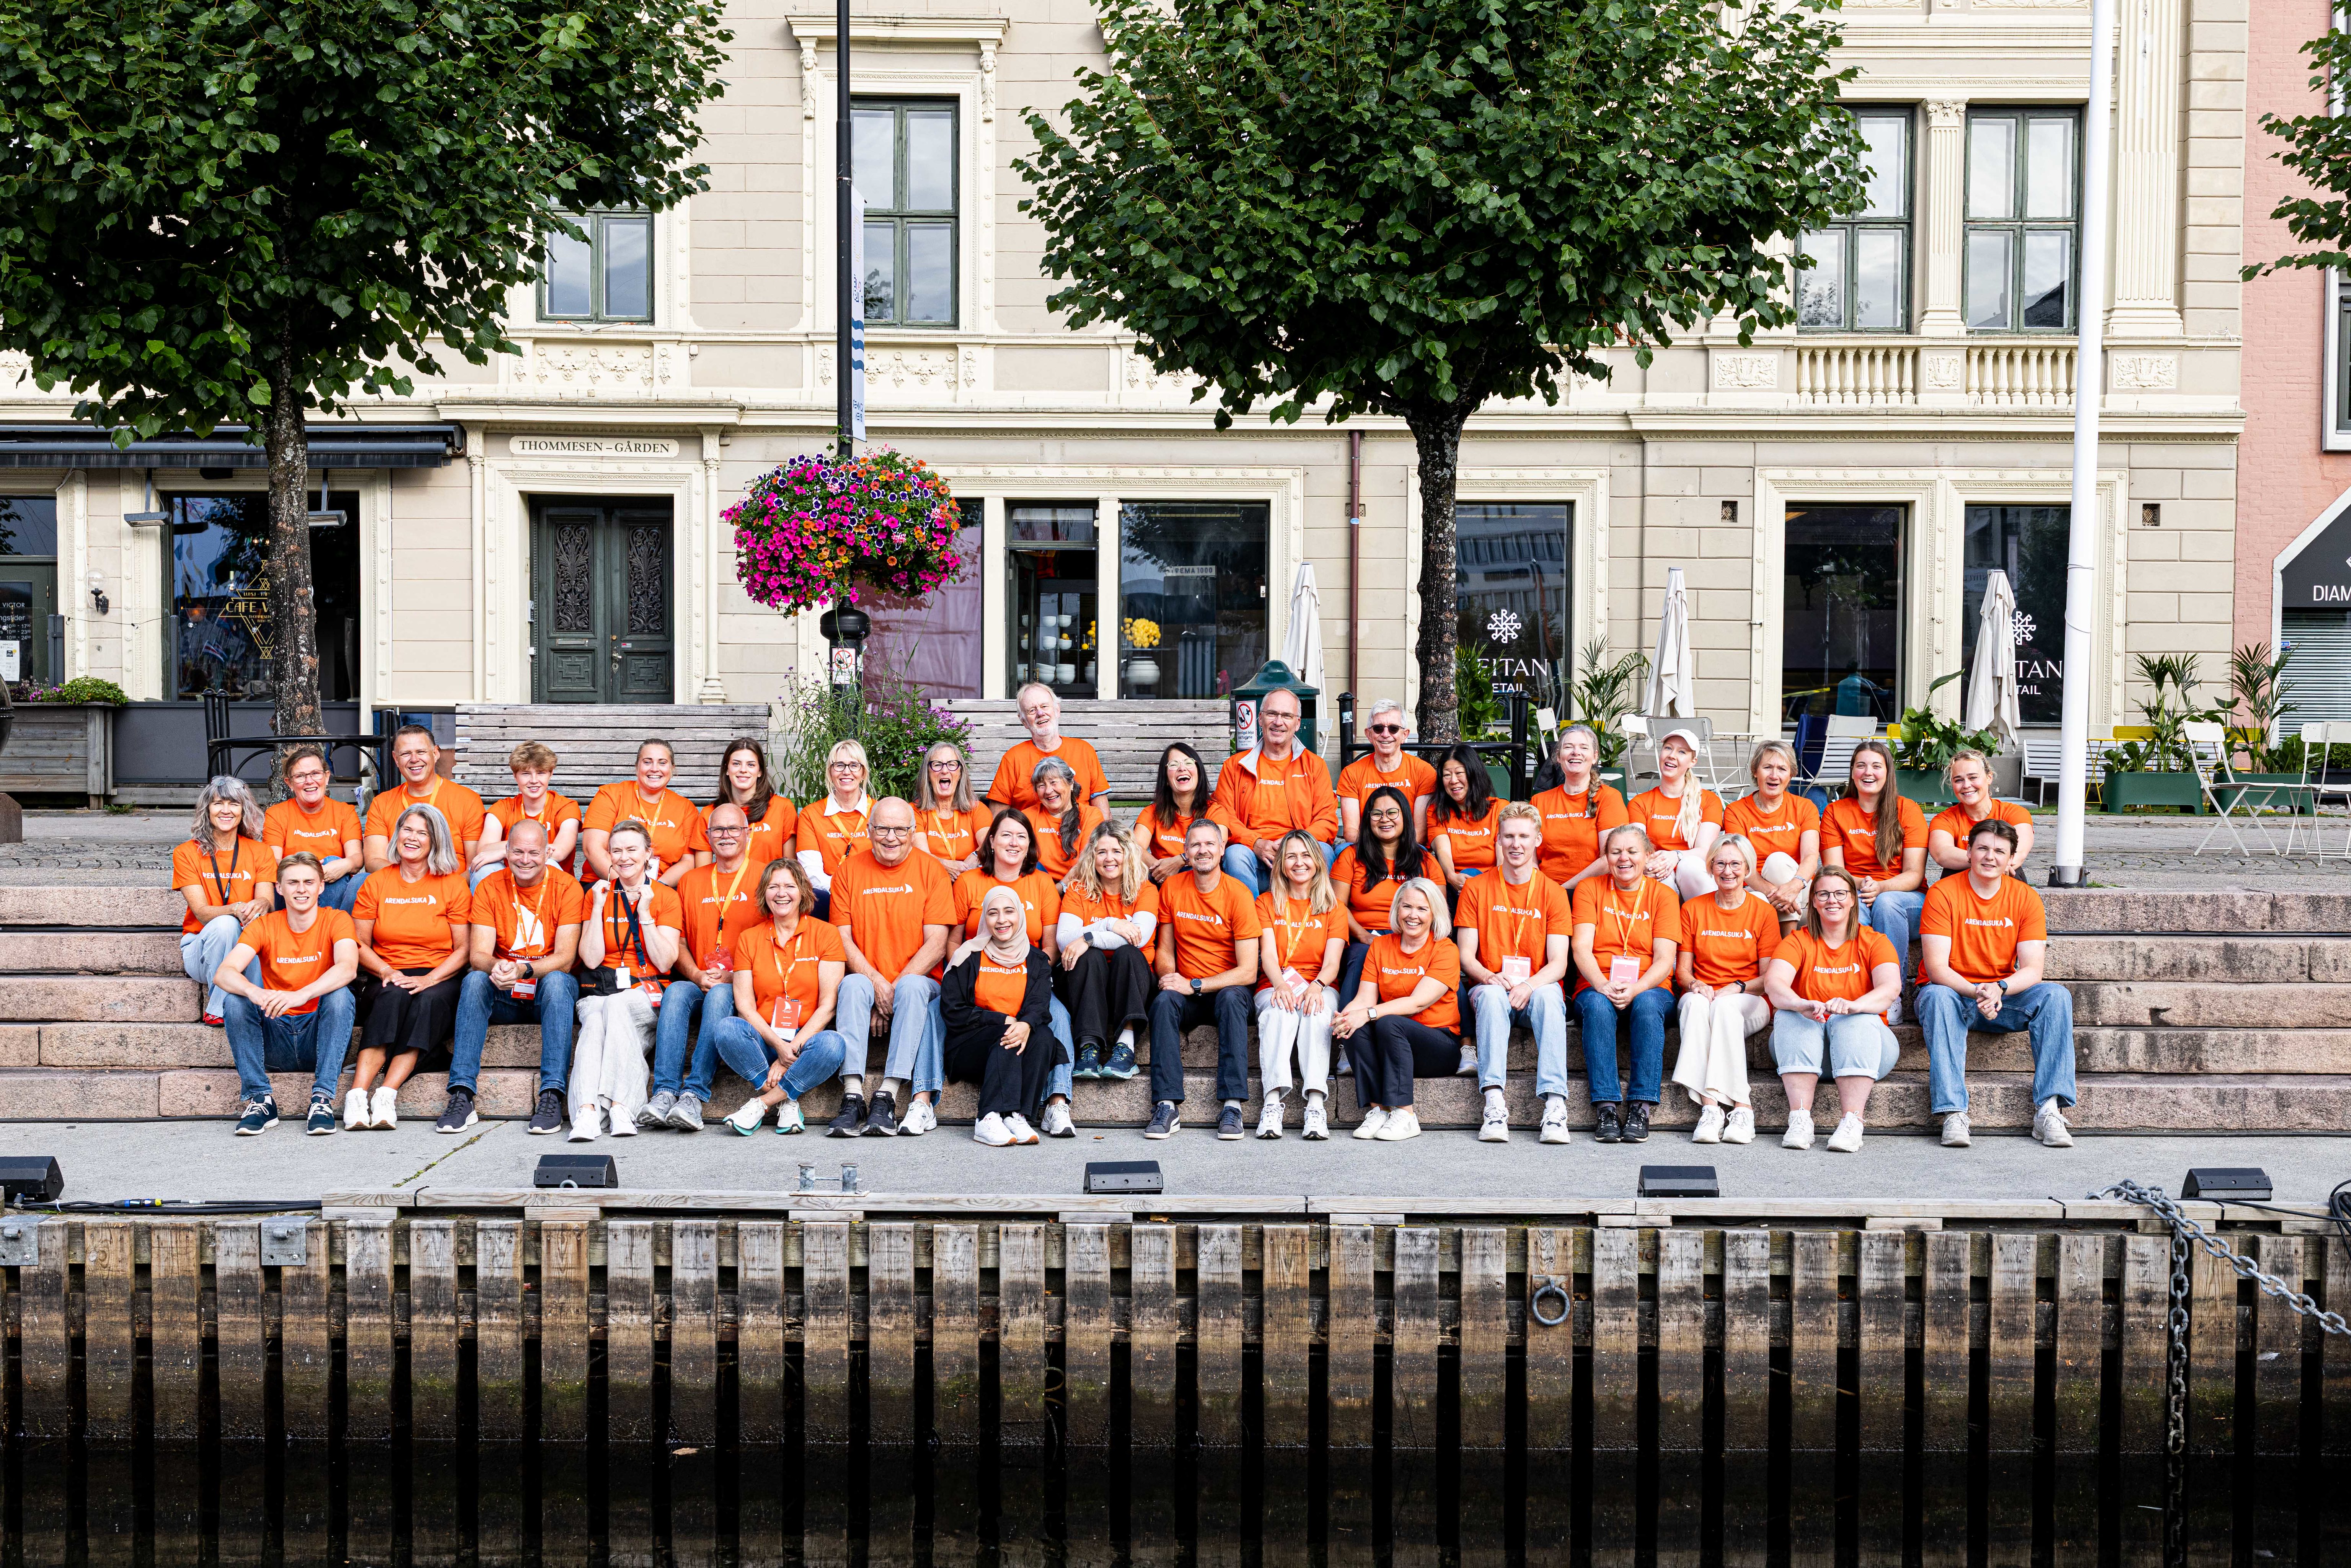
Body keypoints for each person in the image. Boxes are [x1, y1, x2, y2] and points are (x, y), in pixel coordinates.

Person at [1916, 818, 2075, 1149]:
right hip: (1954, 995)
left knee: (2055, 996)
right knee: (1936, 997)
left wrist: (1999, 989)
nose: (1990, 857)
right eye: (1983, 849)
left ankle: (2049, 1109)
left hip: (2003, 997)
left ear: (2011, 859)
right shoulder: (1943, 893)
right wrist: (1979, 992)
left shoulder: (2026, 897)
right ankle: (1953, 1112)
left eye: (2000, 851)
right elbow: (1937, 969)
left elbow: (2033, 970)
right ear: (1969, 852)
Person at [826, 798, 957, 1138]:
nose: (891, 837)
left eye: (900, 830)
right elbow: (842, 939)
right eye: (883, 829)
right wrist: (878, 985)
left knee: (911, 987)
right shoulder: (848, 871)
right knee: (852, 985)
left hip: (918, 982)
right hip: (868, 979)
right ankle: (853, 1095)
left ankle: (888, 1094)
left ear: (913, 833)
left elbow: (937, 943)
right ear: (869, 831)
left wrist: (891, 990)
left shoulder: (931, 871)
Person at [449, 817, 585, 1135]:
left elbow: (566, 959)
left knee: (558, 981)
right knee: (474, 980)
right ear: (506, 852)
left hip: (546, 994)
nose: (526, 860)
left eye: (534, 853)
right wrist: (497, 966)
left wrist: (524, 969)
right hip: (505, 991)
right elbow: (478, 955)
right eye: (518, 852)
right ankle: (462, 1094)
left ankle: (552, 1094)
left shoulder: (567, 887)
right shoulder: (489, 886)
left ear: (548, 853)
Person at [213, 852, 358, 1136]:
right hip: (275, 1037)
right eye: (293, 883)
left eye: (308, 882)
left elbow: (348, 968)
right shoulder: (264, 925)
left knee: (341, 995)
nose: (301, 890)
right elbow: (224, 973)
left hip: (318, 1036)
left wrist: (302, 995)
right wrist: (254, 992)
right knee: (235, 1000)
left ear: (321, 887)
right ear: (279, 888)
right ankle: (260, 1099)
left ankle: (322, 1100)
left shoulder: (337, 919)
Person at [641, 802, 765, 1134]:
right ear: (707, 836)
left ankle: (694, 1095)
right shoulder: (690, 881)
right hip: (699, 978)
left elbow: (772, 941)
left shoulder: (765, 877)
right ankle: (665, 1092)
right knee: (677, 991)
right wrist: (696, 974)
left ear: (747, 833)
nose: (726, 836)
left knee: (722, 994)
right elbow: (678, 943)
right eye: (719, 830)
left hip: (745, 983)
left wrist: (734, 975)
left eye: (734, 829)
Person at [1454, 804, 1574, 1144]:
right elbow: (1466, 956)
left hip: (1536, 989)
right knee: (1493, 996)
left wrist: (1529, 985)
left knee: (1550, 994)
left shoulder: (1552, 892)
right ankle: (1494, 1104)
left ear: (1538, 840)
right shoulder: (1477, 888)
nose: (1516, 844)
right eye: (1509, 836)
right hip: (1491, 987)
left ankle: (1555, 1106)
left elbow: (1559, 964)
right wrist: (1489, 976)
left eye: (1524, 836)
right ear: (1498, 839)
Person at [349, 804, 472, 1131]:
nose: (413, 838)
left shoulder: (453, 885)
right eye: (408, 830)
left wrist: (431, 979)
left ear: (436, 841)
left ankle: (386, 1094)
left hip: (439, 975)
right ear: (397, 834)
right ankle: (357, 1096)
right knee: (393, 997)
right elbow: (358, 943)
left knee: (427, 1002)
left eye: (423, 833)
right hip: (387, 971)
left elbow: (464, 949)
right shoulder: (377, 882)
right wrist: (386, 972)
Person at [952, 810, 1083, 1114]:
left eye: (1021, 836)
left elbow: (1050, 947)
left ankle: (1058, 1102)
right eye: (1006, 835)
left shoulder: (1042, 883)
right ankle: (922, 1097)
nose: (1014, 842)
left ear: (1030, 844)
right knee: (934, 1012)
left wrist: (1032, 981)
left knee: (1058, 1016)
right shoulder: (969, 882)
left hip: (1028, 982)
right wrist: (962, 978)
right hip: (977, 981)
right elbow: (953, 942)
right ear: (991, 841)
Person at [1765, 868, 1902, 1153]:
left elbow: (1890, 988)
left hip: (1867, 1052)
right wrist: (1800, 1004)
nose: (1832, 900)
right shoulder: (1798, 941)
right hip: (1805, 1052)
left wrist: (1855, 1006)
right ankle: (1800, 1120)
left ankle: (1853, 1122)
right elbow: (1774, 984)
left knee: (1853, 1020)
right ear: (1814, 902)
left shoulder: (1875, 941)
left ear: (1853, 899)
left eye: (1841, 894)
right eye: (1824, 894)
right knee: (1789, 1014)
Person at [1146, 820, 1263, 1140]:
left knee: (1232, 998)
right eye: (1196, 845)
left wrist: (1196, 985)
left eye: (1210, 844)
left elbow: (1248, 971)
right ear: (1186, 851)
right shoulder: (1173, 888)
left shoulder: (1238, 894)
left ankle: (1233, 1106)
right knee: (1164, 1002)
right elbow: (1165, 949)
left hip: (1227, 991)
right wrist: (1170, 977)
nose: (1203, 850)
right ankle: (1166, 1105)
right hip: (1186, 991)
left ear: (1222, 849)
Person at [717, 857, 850, 1134]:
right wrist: (778, 1045)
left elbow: (828, 1006)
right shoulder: (749, 938)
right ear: (764, 893)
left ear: (803, 891)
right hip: (764, 1036)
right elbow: (745, 1007)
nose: (781, 894)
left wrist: (789, 1052)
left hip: (807, 1039)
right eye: (773, 887)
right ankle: (787, 1099)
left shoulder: (826, 934)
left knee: (833, 1045)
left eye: (790, 886)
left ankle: (763, 1103)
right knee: (727, 1029)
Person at [569, 820, 683, 1140]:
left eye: (632, 850)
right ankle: (594, 1112)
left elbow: (666, 961)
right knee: (596, 1020)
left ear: (648, 854)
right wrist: (598, 908)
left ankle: (612, 1107)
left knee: (615, 1006)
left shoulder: (665, 896)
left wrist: (645, 913)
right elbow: (591, 960)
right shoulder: (597, 894)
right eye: (616, 851)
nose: (624, 857)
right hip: (600, 991)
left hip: (646, 993)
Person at [1570, 824, 1679, 1144]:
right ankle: (1606, 1108)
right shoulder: (1589, 889)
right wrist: (1602, 984)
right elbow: (1581, 948)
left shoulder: (1664, 896)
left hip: (1651, 987)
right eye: (1616, 852)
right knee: (1597, 1005)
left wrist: (1636, 988)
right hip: (1596, 983)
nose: (1624, 859)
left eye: (1632, 851)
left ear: (1648, 856)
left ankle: (1640, 1108)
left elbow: (1665, 959)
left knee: (1646, 1004)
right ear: (1606, 857)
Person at [1332, 878, 1460, 1143]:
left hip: (1438, 1047)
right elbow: (1364, 998)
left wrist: (1368, 1014)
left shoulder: (1445, 949)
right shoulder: (1381, 946)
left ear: (1434, 913)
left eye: (1422, 909)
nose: (1413, 915)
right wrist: (1345, 1018)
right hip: (1393, 1048)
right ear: (1397, 909)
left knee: (1387, 1021)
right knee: (1354, 1025)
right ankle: (1378, 1111)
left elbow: (1418, 1003)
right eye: (1407, 907)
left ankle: (1406, 1115)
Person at [1671, 836, 1779, 1146]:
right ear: (1710, 867)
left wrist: (1739, 986)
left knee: (1724, 1007)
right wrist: (1696, 985)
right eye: (1720, 863)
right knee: (1696, 1005)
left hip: (1750, 999)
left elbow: (1768, 977)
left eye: (1735, 864)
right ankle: (1711, 1110)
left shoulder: (1763, 912)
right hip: (1705, 995)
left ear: (1747, 869)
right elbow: (1682, 971)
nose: (1727, 871)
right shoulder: (1693, 909)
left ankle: (1743, 1108)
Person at [1820, 740, 1927, 1024]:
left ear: (1888, 772)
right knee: (1847, 911)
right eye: (1861, 766)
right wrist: (1865, 886)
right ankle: (1850, 991)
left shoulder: (1908, 810)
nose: (1868, 772)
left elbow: (1914, 875)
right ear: (1852, 772)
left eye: (1876, 766)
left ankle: (1891, 996)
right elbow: (1835, 873)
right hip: (1855, 891)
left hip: (1906, 899)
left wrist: (1882, 888)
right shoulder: (1836, 811)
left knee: (1887, 904)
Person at [942, 885, 1058, 1146]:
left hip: (1012, 1047)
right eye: (993, 913)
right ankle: (988, 1118)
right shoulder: (968, 956)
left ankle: (1016, 1115)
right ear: (985, 919)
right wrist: (1003, 1021)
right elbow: (952, 1010)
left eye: (1009, 912)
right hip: (970, 1047)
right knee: (1010, 1034)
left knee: (1043, 1036)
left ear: (1020, 915)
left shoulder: (1037, 960)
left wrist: (1026, 1023)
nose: (1002, 920)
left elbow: (1039, 1005)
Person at [1253, 829, 1345, 1141]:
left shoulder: (1333, 907)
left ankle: (1316, 1105)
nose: (1299, 862)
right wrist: (1281, 985)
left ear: (1318, 862)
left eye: (1306, 855)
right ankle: (1272, 1103)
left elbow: (1332, 963)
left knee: (1318, 1013)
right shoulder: (1266, 903)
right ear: (1281, 864)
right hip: (1274, 982)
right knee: (1280, 1012)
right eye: (1291, 856)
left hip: (1320, 984)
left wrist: (1316, 986)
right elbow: (1268, 955)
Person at [1206, 687, 1339, 895]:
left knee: (1323, 850)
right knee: (1235, 854)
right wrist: (1256, 843)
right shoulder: (1235, 766)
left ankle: (1314, 914)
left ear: (1298, 724)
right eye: (1272, 714)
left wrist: (1294, 845)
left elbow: (1327, 820)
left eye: (1287, 716)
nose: (1279, 722)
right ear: (1260, 719)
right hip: (1254, 856)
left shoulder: (1315, 766)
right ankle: (1249, 915)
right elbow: (1223, 817)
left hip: (1299, 855)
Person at [1059, 821, 1159, 1085]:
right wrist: (1109, 924)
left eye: (1117, 851)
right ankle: (1089, 1047)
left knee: (1128, 953)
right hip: (1087, 984)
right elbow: (1064, 939)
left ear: (1128, 854)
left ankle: (1125, 1047)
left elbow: (1139, 937)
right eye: (1102, 852)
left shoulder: (1145, 889)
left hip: (1132, 982)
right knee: (1089, 957)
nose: (1109, 859)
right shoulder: (1079, 889)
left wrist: (1089, 938)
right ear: (1092, 856)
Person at [176, 777, 278, 1027]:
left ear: (244, 810)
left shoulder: (260, 852)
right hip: (201, 949)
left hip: (246, 948)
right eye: (218, 803)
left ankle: (260, 1012)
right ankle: (219, 1009)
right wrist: (235, 909)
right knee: (226, 924)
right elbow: (201, 913)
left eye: (234, 804)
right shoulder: (186, 853)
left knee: (257, 929)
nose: (226, 810)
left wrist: (262, 904)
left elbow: (267, 900)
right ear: (207, 810)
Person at [1329, 785, 1431, 1017]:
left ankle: (1462, 1036)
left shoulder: (1425, 860)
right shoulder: (1351, 857)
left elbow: (1437, 909)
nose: (1385, 819)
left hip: (1412, 936)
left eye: (1392, 813)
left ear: (1405, 816)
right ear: (1368, 819)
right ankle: (1347, 1030)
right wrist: (1363, 936)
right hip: (1365, 936)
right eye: (1377, 814)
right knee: (1361, 957)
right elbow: (1337, 907)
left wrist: (1412, 939)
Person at [363, 724, 487, 878]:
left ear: (435, 754)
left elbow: (474, 866)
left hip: (450, 887)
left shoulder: (467, 800)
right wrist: (413, 882)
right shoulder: (382, 803)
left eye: (421, 752)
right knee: (360, 881)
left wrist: (446, 888)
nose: (414, 759)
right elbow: (374, 861)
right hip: (398, 887)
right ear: (396, 759)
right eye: (406, 754)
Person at [1720, 740, 1819, 926]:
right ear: (1755, 771)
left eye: (1782, 769)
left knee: (1778, 861)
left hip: (1800, 890)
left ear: (1791, 775)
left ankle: (1787, 940)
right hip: (1756, 889)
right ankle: (1788, 942)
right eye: (1767, 767)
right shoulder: (1736, 811)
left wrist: (1793, 888)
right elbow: (1740, 863)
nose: (1774, 776)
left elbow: (1811, 857)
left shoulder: (1805, 808)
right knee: (1760, 896)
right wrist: (1777, 894)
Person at [582, 740, 699, 888]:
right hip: (607, 884)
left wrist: (657, 889)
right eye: (648, 762)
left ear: (672, 769)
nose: (655, 769)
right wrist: (629, 887)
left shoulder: (686, 808)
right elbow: (593, 849)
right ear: (637, 767)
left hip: (662, 887)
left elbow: (688, 861)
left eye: (662, 763)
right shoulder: (611, 795)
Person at [261, 747, 365, 913]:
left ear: (327, 777)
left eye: (316, 774)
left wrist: (343, 864)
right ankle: (322, 927)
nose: (309, 781)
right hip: (292, 894)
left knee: (336, 863)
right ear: (290, 783)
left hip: (334, 889)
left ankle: (327, 924)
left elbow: (357, 859)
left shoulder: (345, 812)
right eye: (300, 776)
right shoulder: (277, 814)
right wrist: (311, 873)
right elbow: (273, 862)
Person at [1626, 728, 1724, 900]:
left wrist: (1676, 856)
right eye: (1668, 748)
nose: (1672, 756)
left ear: (1693, 762)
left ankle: (1708, 915)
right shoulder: (1640, 803)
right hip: (1658, 872)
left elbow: (1706, 851)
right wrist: (1652, 866)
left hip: (1693, 875)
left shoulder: (1709, 801)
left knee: (1690, 866)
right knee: (1660, 876)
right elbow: (1636, 848)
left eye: (1682, 752)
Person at [1532, 725, 1629, 891]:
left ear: (1595, 757)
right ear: (1558, 757)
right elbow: (1530, 858)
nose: (1576, 753)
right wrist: (1541, 890)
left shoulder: (1608, 798)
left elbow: (1609, 859)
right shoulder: (1539, 801)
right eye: (1568, 747)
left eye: (1584, 748)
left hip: (1590, 891)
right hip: (1543, 891)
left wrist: (1562, 891)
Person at [986, 683, 1111, 812]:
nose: (1041, 713)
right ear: (1024, 721)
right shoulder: (1013, 759)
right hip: (1030, 825)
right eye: (1032, 710)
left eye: (1045, 706)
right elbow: (998, 816)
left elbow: (1102, 811)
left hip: (1080, 824)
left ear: (1057, 710)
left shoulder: (1084, 751)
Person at [795, 739, 876, 918]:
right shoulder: (812, 814)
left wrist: (866, 891)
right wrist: (846, 891)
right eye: (839, 765)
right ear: (831, 773)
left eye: (854, 765)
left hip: (874, 895)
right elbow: (812, 873)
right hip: (829, 899)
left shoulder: (879, 812)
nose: (847, 772)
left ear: (863, 773)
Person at [1337, 700, 1438, 839]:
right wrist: (1379, 851)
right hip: (1367, 848)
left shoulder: (1424, 772)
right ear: (1369, 734)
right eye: (1378, 728)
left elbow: (1419, 833)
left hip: (1410, 848)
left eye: (1393, 729)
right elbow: (1352, 832)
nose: (1386, 734)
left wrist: (1393, 851)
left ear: (1405, 735)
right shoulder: (1352, 774)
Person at [481, 742, 582, 879]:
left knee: (550, 862)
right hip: (509, 880)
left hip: (552, 884)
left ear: (551, 774)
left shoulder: (566, 807)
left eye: (541, 773)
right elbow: (484, 850)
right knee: (485, 867)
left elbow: (560, 852)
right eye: (526, 774)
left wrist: (511, 851)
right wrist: (523, 851)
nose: (534, 781)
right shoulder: (503, 808)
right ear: (515, 776)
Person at [696, 737, 796, 872]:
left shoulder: (783, 808)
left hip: (769, 885)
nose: (743, 770)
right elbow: (702, 874)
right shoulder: (710, 814)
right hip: (727, 886)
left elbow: (790, 869)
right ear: (727, 769)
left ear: (760, 771)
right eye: (736, 764)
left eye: (751, 765)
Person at [1927, 750, 2035, 874]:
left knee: (2014, 872)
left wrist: (1989, 864)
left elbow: (2019, 853)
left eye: (1973, 778)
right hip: (1961, 881)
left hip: (2004, 879)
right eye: (1958, 780)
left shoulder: (2015, 813)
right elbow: (1942, 854)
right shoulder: (1945, 819)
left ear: (1989, 777)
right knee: (1951, 870)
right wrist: (1989, 862)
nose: (1966, 785)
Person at [1428, 744, 1503, 894]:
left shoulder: (1499, 809)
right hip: (1452, 885)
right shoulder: (1437, 811)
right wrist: (1452, 876)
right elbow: (1443, 851)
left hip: (1491, 887)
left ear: (1473, 774)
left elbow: (1503, 862)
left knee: (1472, 876)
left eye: (1459, 773)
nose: (1453, 780)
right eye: (1447, 775)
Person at [1132, 742, 1209, 885]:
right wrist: (1160, 870)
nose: (1182, 768)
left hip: (1200, 877)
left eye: (1188, 763)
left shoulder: (1214, 810)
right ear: (1167, 779)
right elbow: (1134, 846)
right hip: (1161, 880)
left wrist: (1180, 861)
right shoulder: (1152, 812)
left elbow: (1215, 846)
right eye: (1174, 765)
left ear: (1199, 772)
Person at [1026, 756, 1107, 887]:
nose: (1048, 791)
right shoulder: (1027, 817)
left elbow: (1087, 861)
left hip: (1078, 886)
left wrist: (1060, 887)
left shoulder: (1091, 815)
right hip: (1037, 887)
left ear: (1071, 784)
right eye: (1041, 786)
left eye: (1054, 783)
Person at [914, 741, 990, 876]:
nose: (945, 771)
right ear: (928, 774)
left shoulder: (977, 809)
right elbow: (921, 855)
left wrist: (975, 856)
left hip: (970, 879)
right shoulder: (915, 812)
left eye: (952, 764)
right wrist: (945, 866)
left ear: (960, 774)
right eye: (937, 765)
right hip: (932, 879)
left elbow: (990, 844)